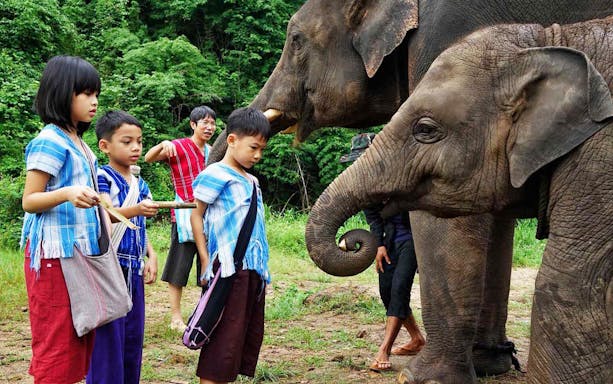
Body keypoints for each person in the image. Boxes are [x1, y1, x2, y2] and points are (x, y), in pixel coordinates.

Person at [20, 55, 102, 383]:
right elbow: (30, 200)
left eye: (96, 93)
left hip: (77, 255)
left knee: (78, 338)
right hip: (54, 257)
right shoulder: (50, 140)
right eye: (85, 93)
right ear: (61, 92)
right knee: (57, 345)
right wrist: (68, 193)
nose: (94, 101)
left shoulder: (79, 141)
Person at [190, 107, 271, 384]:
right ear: (233, 140)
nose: (258, 155)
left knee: (239, 341)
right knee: (222, 342)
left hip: (252, 271)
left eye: (262, 149)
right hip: (228, 268)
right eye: (253, 147)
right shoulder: (215, 174)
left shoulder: (253, 181)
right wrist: (203, 258)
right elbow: (196, 214)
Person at [340, 133, 425, 372]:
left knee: (399, 289)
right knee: (387, 292)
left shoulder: (402, 174)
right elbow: (374, 221)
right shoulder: (366, 187)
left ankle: (384, 349)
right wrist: (378, 246)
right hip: (389, 242)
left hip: (414, 239)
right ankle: (417, 339)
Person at [86, 110, 159, 383]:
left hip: (134, 267)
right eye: (126, 141)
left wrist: (151, 255)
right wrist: (137, 209)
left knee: (132, 339)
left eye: (139, 141)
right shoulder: (101, 177)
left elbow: (141, 226)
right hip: (111, 267)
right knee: (108, 343)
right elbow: (109, 215)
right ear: (104, 146)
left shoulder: (142, 184)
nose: (136, 148)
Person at [144, 105, 216, 330]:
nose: (209, 127)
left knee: (208, 267)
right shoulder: (178, 146)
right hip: (184, 215)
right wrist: (162, 145)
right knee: (178, 268)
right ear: (193, 125)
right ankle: (175, 316)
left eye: (213, 123)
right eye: (204, 122)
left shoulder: (213, 152)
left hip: (208, 216)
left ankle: (204, 314)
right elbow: (148, 158)